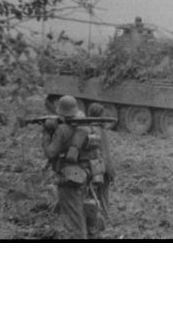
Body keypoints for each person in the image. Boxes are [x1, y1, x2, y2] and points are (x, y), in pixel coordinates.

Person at [42, 95, 106, 239]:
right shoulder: (85, 127)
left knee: (73, 221)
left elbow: (51, 152)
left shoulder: (62, 130)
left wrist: (46, 135)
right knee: (84, 213)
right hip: (86, 174)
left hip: (70, 177)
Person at [87, 102, 116, 220]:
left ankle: (100, 216)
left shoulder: (91, 129)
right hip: (103, 166)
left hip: (97, 166)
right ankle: (105, 215)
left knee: (95, 193)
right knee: (103, 194)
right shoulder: (99, 129)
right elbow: (105, 152)